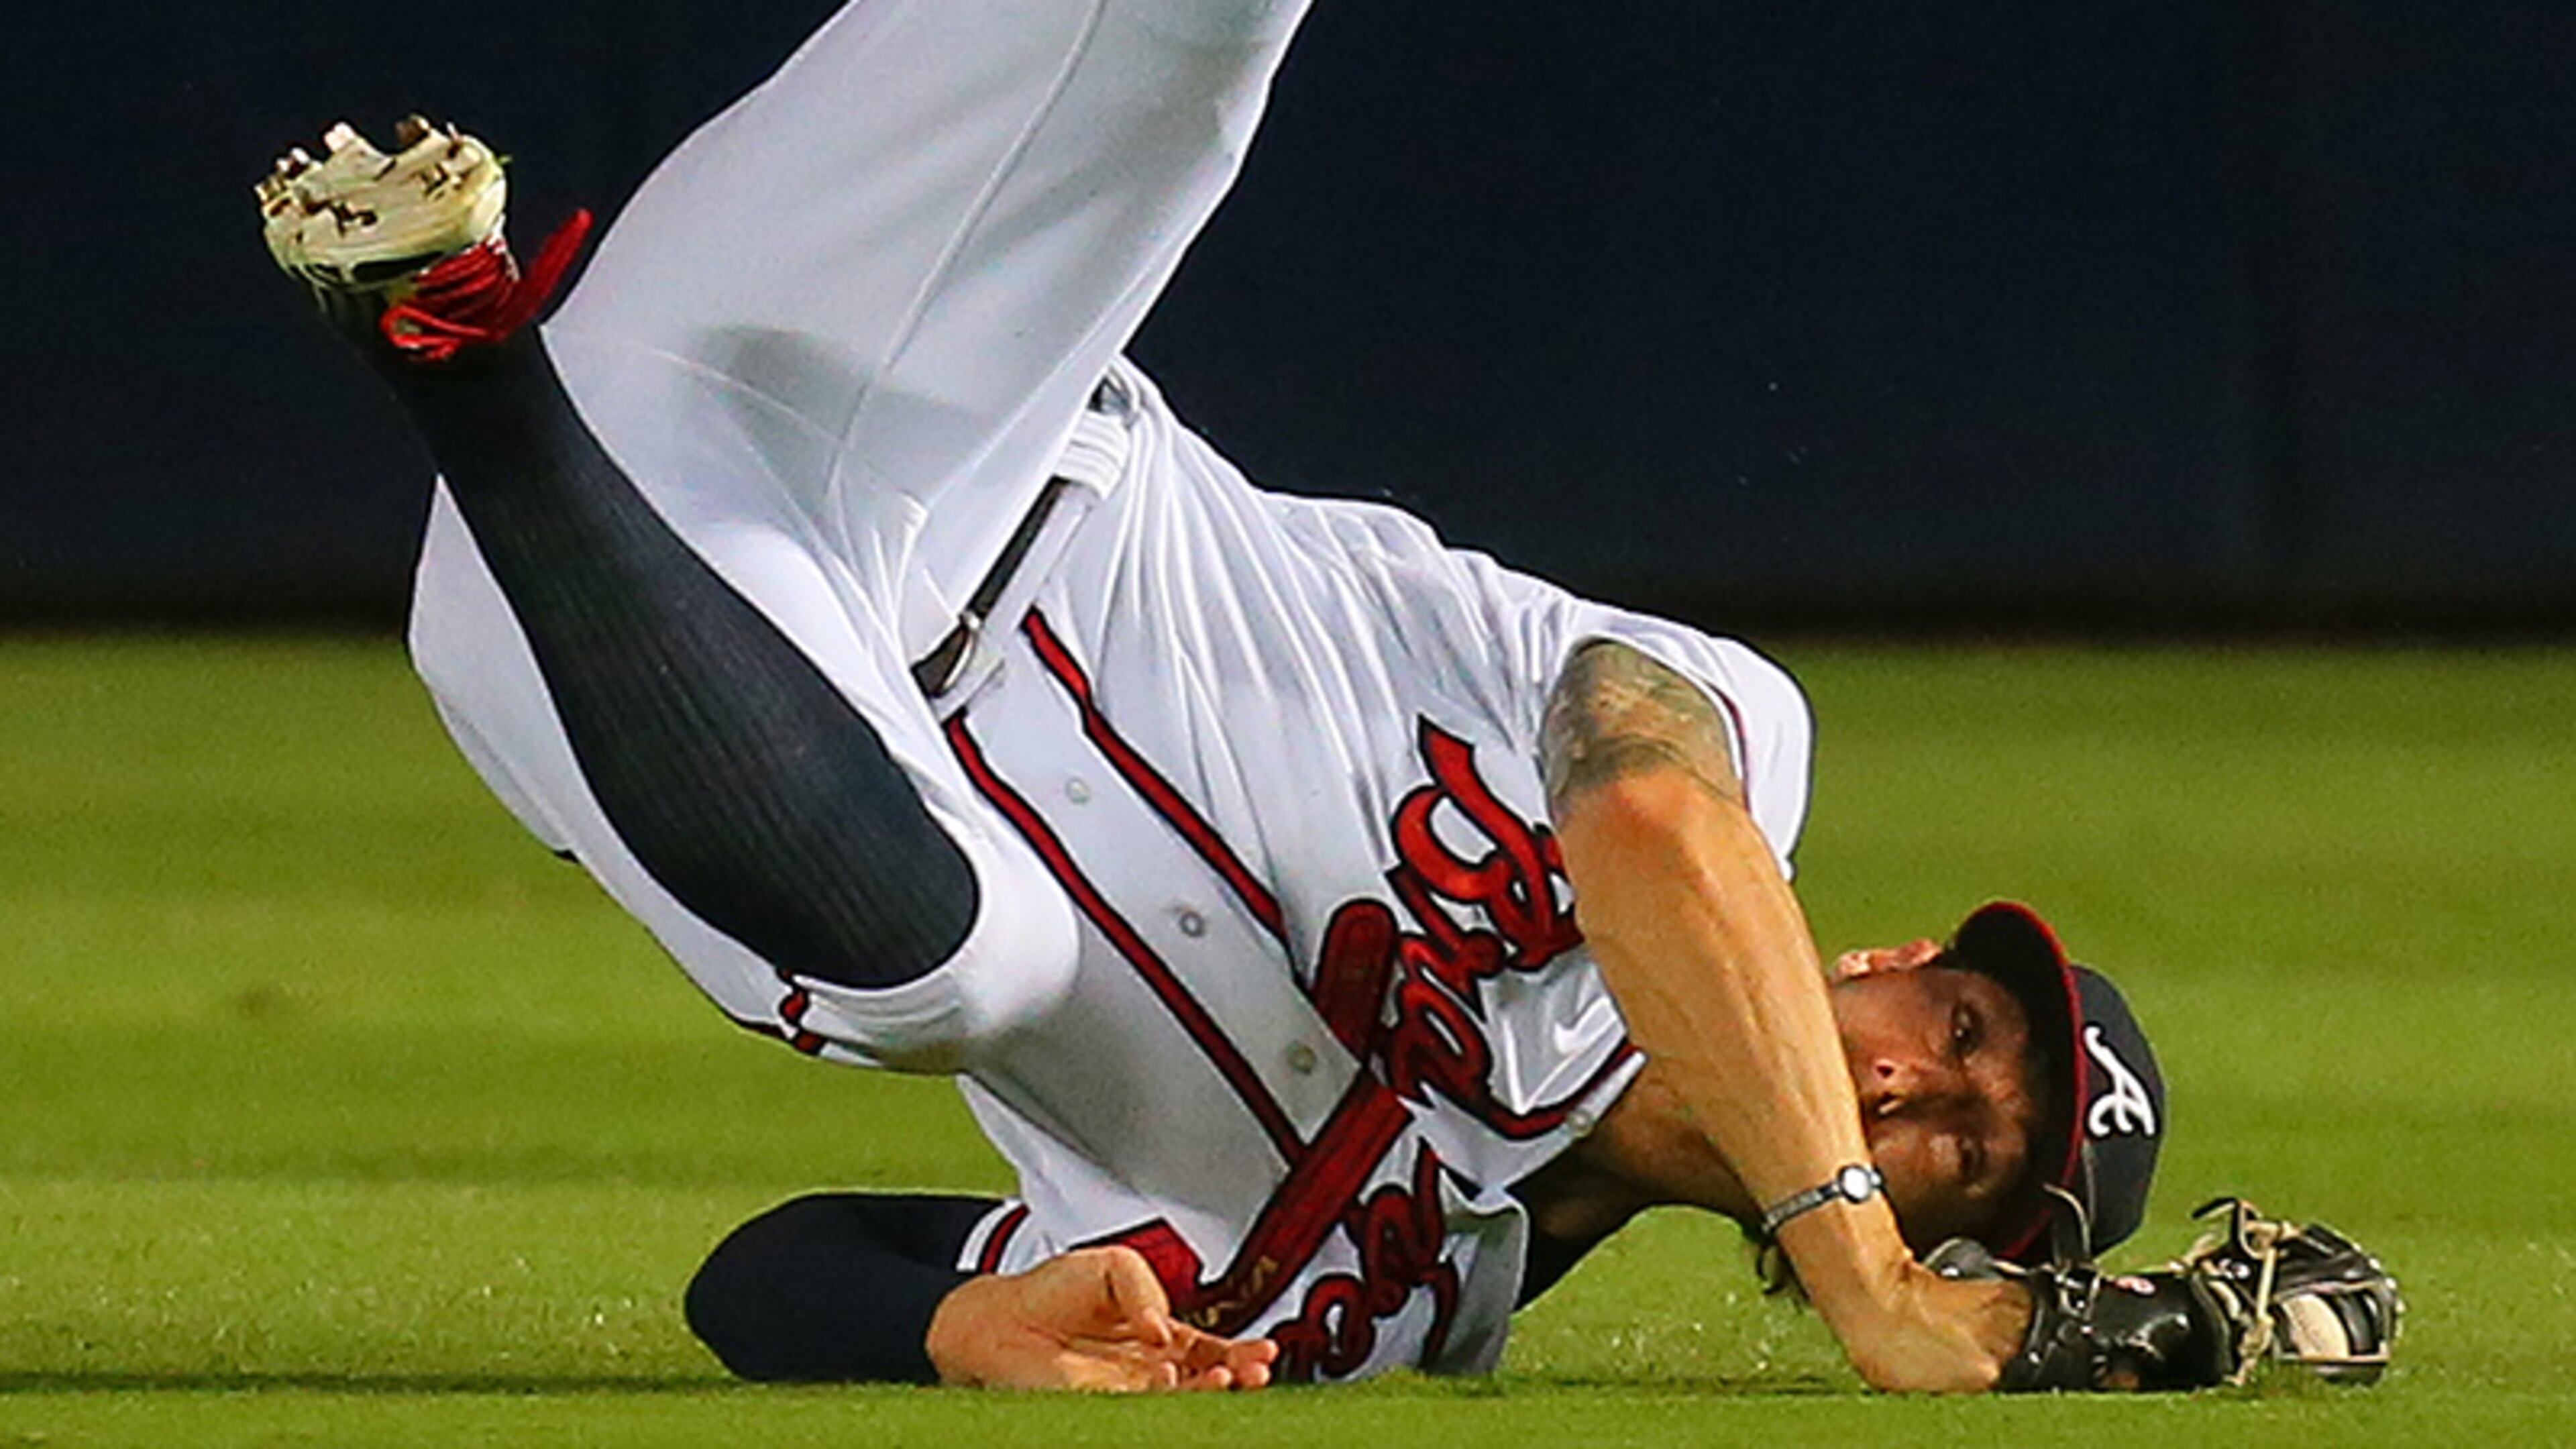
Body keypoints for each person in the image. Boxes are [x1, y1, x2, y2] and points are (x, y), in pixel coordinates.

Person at [255, 0, 2166, 1393]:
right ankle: (492, 359)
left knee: (963, 977)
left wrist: (948, 1327)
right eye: (1975, 1024)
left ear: (1956, 1247)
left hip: (647, 650)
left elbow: (764, 1274)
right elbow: (1652, 831)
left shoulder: (1355, 1309)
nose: (1927, 1081)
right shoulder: (1739, 738)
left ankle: (456, 348)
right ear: (1897, 959)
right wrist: (1865, 1277)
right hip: (936, 403)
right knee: (1205, 41)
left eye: (1967, 1162)